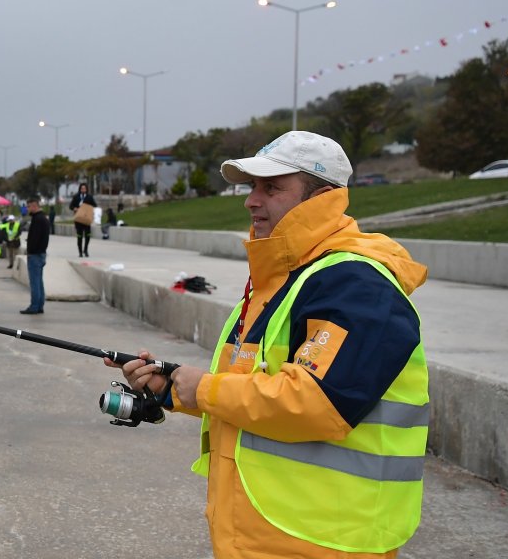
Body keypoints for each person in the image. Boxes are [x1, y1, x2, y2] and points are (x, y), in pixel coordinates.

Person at [105, 130, 429, 559]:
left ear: (322, 198)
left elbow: (316, 402)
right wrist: (171, 389)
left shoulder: (356, 284)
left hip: (325, 540)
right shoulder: (281, 281)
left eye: (272, 188)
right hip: (265, 533)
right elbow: (250, 387)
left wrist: (201, 387)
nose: (251, 200)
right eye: (252, 186)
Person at [19, 196, 49, 315]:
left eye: (28, 206)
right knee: (39, 281)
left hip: (35, 255)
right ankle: (40, 305)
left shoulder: (37, 219)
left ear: (34, 205)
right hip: (41, 253)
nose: (27, 208)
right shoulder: (43, 218)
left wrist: (30, 250)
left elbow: (35, 238)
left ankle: (34, 306)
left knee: (34, 282)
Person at [68, 183, 97, 257]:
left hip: (86, 219)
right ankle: (80, 252)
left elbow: (95, 205)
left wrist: (89, 208)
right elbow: (71, 206)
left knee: (88, 235)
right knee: (79, 236)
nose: (83, 189)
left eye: (84, 188)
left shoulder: (89, 197)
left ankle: (86, 249)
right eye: (82, 188)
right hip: (78, 219)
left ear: (86, 189)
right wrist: (74, 208)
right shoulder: (76, 197)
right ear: (80, 189)